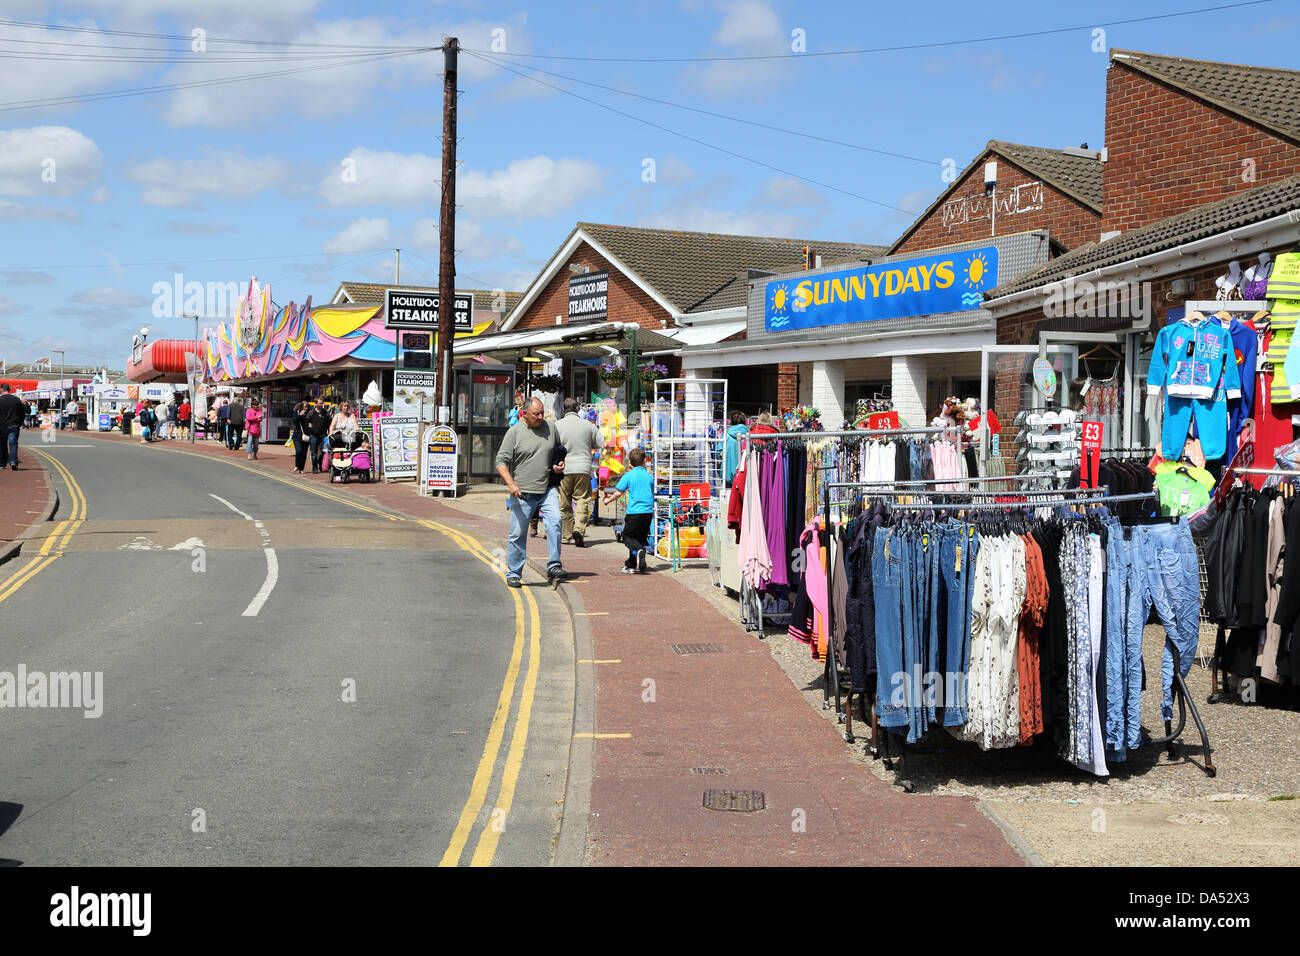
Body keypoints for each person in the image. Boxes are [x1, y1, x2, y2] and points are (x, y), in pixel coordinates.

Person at [495, 396, 568, 588]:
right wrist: (511, 484)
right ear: (524, 414)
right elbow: (500, 461)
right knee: (517, 534)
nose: (541, 416)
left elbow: (558, 452)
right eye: (536, 414)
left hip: (547, 488)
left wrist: (559, 466)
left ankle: (553, 564)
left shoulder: (551, 428)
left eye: (542, 412)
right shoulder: (514, 433)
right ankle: (514, 572)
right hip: (523, 493)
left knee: (555, 521)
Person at [555, 397, 603, 547]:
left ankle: (566, 535)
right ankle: (579, 530)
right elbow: (600, 442)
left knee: (564, 503)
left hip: (564, 468)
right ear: (577, 409)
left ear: (563, 410)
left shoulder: (556, 426)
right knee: (582, 500)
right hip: (583, 468)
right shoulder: (588, 425)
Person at [602, 447, 654, 574]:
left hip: (634, 512)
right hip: (647, 513)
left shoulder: (628, 476)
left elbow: (618, 493)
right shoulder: (649, 476)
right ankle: (631, 564)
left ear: (630, 463)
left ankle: (640, 550)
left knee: (627, 537)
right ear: (644, 461)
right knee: (638, 538)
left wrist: (607, 501)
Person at [0, 384, 24, 470]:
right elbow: (22, 413)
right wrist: (20, 423)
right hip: (14, 425)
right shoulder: (16, 400)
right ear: (9, 389)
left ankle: (2, 463)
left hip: (2, 425)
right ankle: (13, 462)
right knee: (13, 443)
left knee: (2, 445)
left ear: (2, 389)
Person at [724, 410, 749, 485]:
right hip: (744, 476)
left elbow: (718, 454)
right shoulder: (749, 436)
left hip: (727, 475)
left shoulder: (725, 436)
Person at [305, 399, 330, 473]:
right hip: (313, 435)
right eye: (320, 403)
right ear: (316, 404)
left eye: (322, 403)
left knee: (323, 451)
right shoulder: (311, 412)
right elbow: (306, 422)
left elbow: (329, 422)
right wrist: (309, 427)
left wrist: (329, 431)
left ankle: (321, 466)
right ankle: (314, 468)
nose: (321, 405)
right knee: (314, 453)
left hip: (323, 435)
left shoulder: (325, 413)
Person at [291, 400, 310, 473]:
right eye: (305, 406)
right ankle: (297, 465)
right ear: (301, 407)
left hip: (306, 436)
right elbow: (295, 422)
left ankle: (301, 468)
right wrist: (300, 415)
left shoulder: (309, 414)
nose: (306, 408)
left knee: (304, 453)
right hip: (297, 435)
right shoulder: (297, 413)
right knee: (299, 450)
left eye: (307, 407)